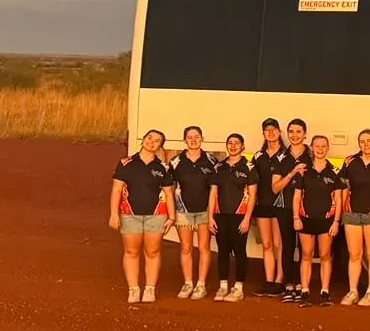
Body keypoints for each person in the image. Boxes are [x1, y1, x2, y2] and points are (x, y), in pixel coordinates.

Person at [109, 129, 172, 305]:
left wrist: (172, 217)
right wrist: (114, 214)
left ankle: (150, 289)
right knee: (131, 251)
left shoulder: (162, 167)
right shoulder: (126, 163)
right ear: (143, 139)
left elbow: (168, 193)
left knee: (152, 252)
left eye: (157, 141)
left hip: (156, 215)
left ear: (160, 146)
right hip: (130, 214)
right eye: (149, 138)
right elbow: (116, 190)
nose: (152, 142)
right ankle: (134, 289)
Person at [339, 129, 370, 307]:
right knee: (354, 255)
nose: (365, 144)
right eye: (362, 141)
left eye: (369, 141)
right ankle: (353, 291)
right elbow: (344, 188)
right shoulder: (350, 161)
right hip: (351, 213)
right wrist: (340, 214)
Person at [292, 135, 343, 304]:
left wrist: (336, 222)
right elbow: (297, 196)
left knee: (325, 255)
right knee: (306, 254)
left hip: (326, 220)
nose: (320, 149)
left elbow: (339, 199)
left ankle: (324, 291)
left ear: (327, 148)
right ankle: (305, 291)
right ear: (312, 148)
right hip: (305, 219)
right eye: (317, 146)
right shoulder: (303, 171)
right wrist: (295, 217)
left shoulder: (335, 172)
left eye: (323, 146)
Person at [168, 125, 216, 299]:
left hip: (205, 211)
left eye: (197, 137)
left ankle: (201, 284)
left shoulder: (211, 161)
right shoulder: (175, 162)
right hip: (183, 211)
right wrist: (171, 211)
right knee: (186, 248)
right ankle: (188, 283)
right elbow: (169, 187)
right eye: (190, 137)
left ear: (202, 139)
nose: (193, 140)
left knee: (204, 247)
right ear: (185, 140)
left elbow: (215, 187)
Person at [269, 120, 313, 302]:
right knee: (287, 246)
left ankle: (303, 285)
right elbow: (275, 188)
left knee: (305, 248)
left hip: (307, 209)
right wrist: (292, 173)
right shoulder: (281, 158)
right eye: (291, 132)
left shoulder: (312, 156)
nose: (295, 135)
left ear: (305, 134)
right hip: (284, 207)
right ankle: (288, 284)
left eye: (298, 131)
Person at [211, 133, 258, 301]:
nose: (233, 146)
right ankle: (223, 286)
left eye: (236, 143)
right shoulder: (219, 167)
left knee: (239, 251)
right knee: (222, 250)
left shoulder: (249, 167)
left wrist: (247, 218)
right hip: (220, 215)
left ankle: (238, 288)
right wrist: (210, 217)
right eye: (229, 143)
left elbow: (252, 195)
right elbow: (213, 193)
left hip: (240, 216)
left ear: (242, 146)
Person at [252, 118, 288, 296]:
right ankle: (269, 281)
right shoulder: (258, 156)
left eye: (274, 129)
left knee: (278, 243)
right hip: (262, 204)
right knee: (266, 244)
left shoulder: (286, 154)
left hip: (280, 205)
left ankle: (279, 281)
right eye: (267, 130)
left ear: (280, 132)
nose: (271, 133)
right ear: (264, 134)